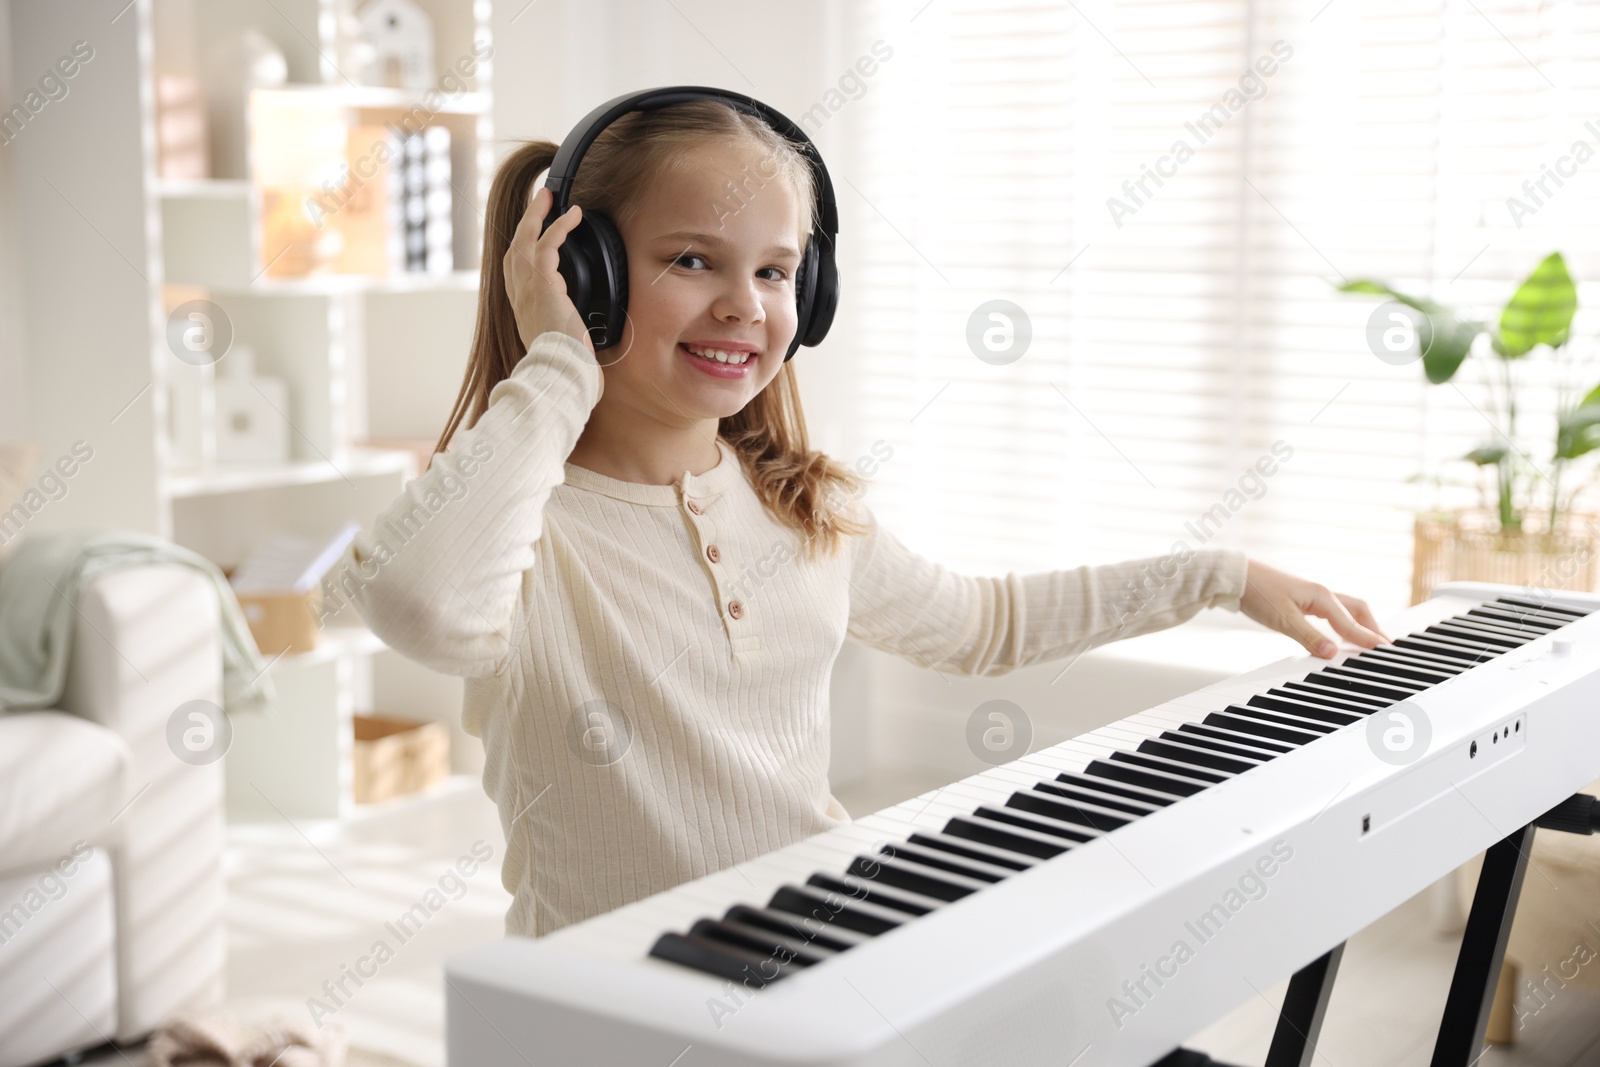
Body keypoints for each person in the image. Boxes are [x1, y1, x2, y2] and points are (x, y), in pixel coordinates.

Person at [336, 98, 1389, 938]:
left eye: (777, 270)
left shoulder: (803, 504)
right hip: (615, 1006)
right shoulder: (526, 521)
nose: (745, 305)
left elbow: (985, 626)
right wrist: (560, 359)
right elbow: (424, 607)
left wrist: (1220, 573)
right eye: (692, 259)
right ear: (586, 275)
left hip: (818, 948)